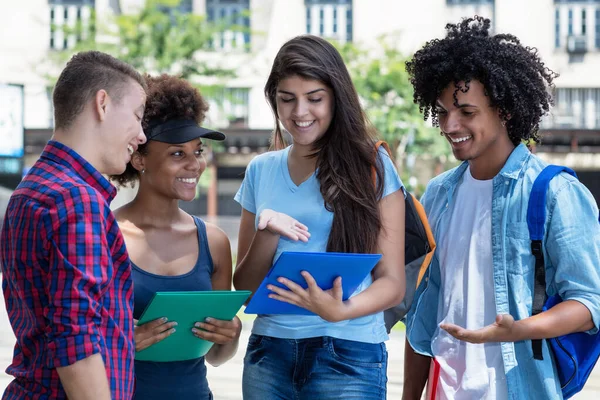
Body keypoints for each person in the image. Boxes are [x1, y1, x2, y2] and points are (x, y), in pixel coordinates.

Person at [402, 16, 600, 400]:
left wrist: (519, 330)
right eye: (442, 112)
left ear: (504, 111)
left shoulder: (556, 191)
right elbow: (425, 308)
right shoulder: (439, 193)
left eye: (466, 111)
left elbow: (590, 302)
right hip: (446, 386)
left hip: (518, 385)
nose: (449, 124)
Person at [233, 34, 406, 399]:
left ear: (336, 98)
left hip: (349, 353)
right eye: (286, 99)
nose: (300, 113)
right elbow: (246, 290)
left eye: (314, 98)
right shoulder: (260, 170)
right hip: (269, 353)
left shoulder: (372, 166)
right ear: (273, 100)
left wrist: (341, 310)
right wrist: (267, 232)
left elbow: (392, 283)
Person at [0, 51, 147, 399]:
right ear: (103, 104)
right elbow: (76, 338)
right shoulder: (77, 199)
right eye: (138, 116)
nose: (141, 135)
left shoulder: (31, 188)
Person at [109, 73, 242, 400]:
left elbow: (215, 357)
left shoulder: (214, 243)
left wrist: (232, 335)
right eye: (177, 154)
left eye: (197, 152)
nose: (195, 165)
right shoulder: (106, 235)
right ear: (139, 159)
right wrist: (122, 342)